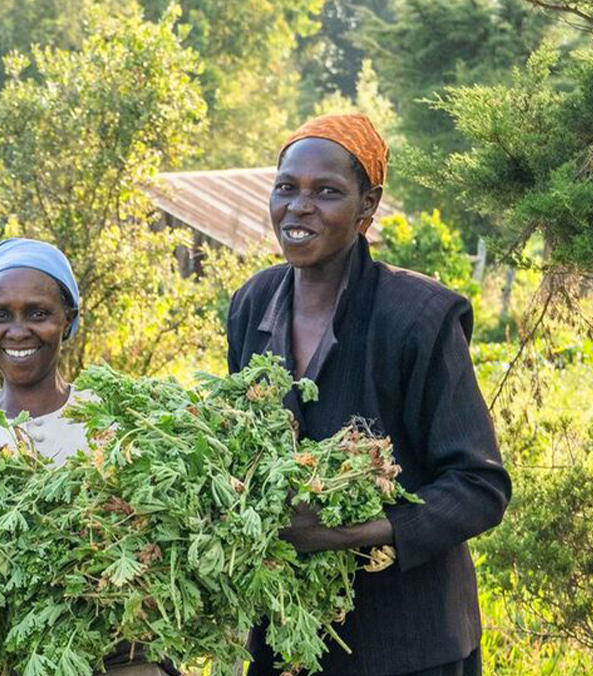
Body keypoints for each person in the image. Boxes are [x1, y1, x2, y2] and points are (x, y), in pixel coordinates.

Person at [228, 113, 511, 675]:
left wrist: (338, 533)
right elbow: (245, 450)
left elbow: (479, 486)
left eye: (327, 192)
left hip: (406, 641)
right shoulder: (253, 304)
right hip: (289, 635)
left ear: (367, 207)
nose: (299, 207)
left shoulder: (419, 317)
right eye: (286, 187)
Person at [0, 238, 174, 676]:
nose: (18, 331)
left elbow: (159, 554)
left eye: (38, 313)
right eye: (0, 315)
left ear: (69, 321)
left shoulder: (117, 426)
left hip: (110, 658)